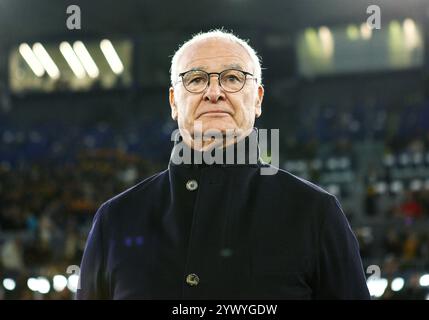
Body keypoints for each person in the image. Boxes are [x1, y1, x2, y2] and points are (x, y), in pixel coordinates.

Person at [76, 29, 370, 299]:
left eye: (232, 78)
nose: (213, 92)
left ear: (257, 99)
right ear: (173, 102)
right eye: (195, 79)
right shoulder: (115, 220)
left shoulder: (315, 214)